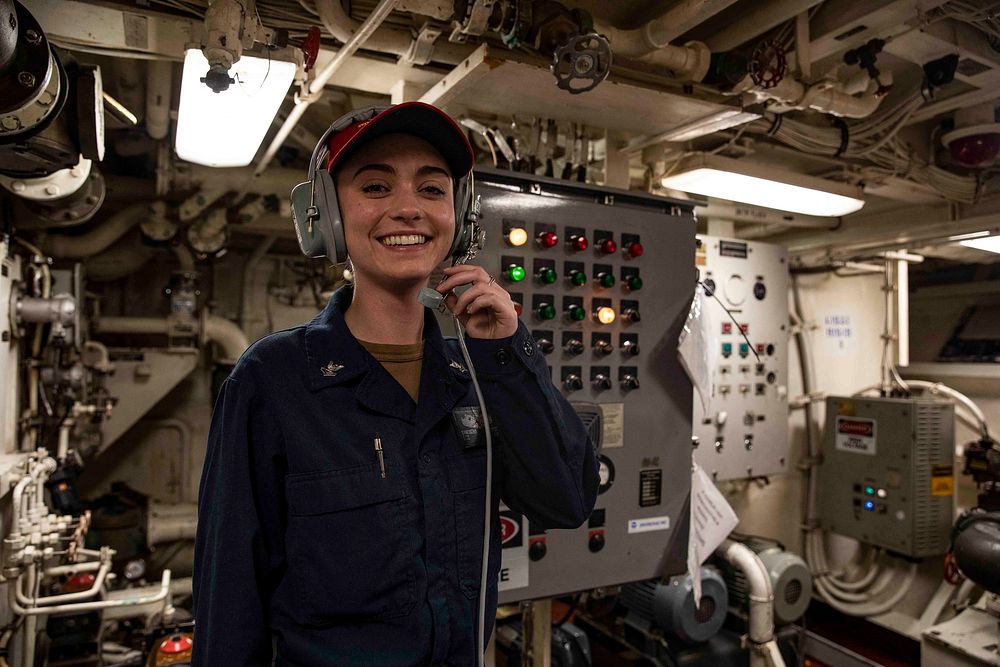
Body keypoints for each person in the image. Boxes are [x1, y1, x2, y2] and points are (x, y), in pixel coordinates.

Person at [192, 102, 599, 666]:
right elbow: (230, 598)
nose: (408, 209)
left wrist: (505, 354)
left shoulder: (475, 377)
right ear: (327, 216)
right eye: (377, 187)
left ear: (460, 216)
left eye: (432, 190)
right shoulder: (273, 380)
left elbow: (567, 500)